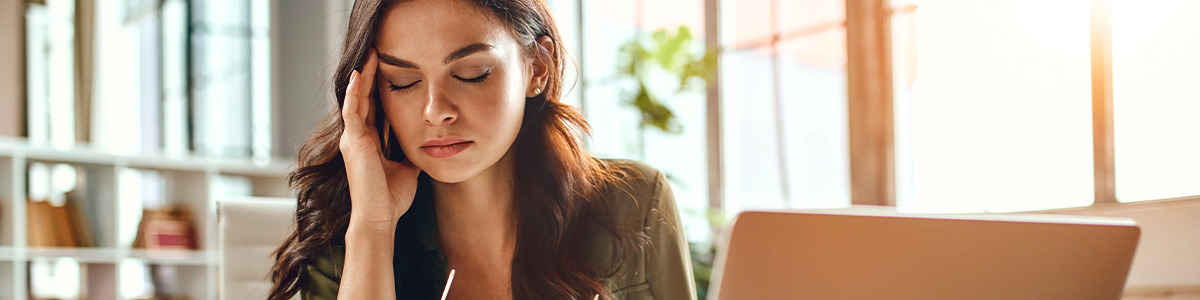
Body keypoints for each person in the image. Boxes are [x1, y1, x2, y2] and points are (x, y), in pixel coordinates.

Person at [267, 0, 696, 299]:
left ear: (537, 68)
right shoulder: (345, 236)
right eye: (403, 82)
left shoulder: (635, 201)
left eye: (472, 74)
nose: (435, 112)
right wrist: (374, 229)